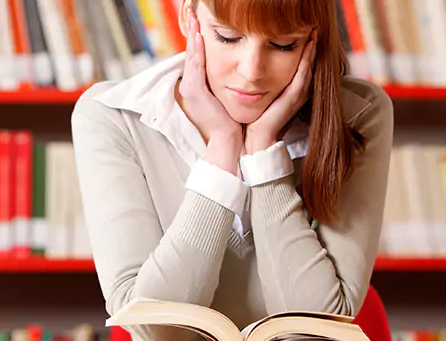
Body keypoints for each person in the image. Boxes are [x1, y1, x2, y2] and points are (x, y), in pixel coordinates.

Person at [70, 0, 394, 340]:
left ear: (315, 39)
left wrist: (265, 158)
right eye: (227, 37)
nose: (252, 71)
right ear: (188, 18)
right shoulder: (113, 116)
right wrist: (222, 151)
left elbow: (319, 327)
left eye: (283, 44)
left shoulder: (359, 114)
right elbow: (153, 328)